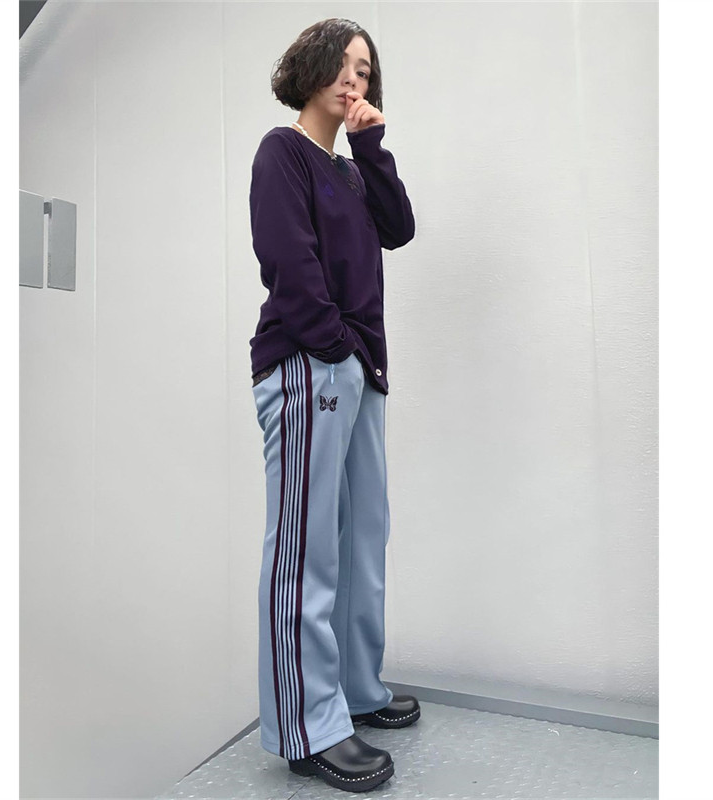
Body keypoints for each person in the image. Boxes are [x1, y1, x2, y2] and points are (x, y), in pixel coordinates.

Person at [248, 18, 417, 793]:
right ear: (311, 67)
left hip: (358, 371)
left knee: (362, 541)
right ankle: (308, 728)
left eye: (366, 70)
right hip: (308, 363)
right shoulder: (281, 154)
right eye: (345, 64)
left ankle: (354, 690)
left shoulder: (349, 172)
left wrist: (371, 146)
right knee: (305, 550)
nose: (356, 79)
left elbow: (398, 229)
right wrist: (333, 346)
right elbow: (288, 260)